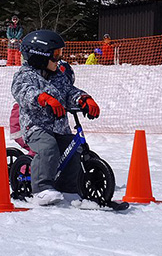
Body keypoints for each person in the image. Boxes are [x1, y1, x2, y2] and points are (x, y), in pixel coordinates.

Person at [11, 30, 100, 205]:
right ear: (40, 56)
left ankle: (69, 189)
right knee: (48, 147)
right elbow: (21, 91)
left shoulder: (58, 76)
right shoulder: (25, 75)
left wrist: (84, 98)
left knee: (73, 151)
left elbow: (70, 92)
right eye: (56, 54)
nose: (59, 59)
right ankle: (41, 188)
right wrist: (42, 98)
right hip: (35, 127)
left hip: (59, 128)